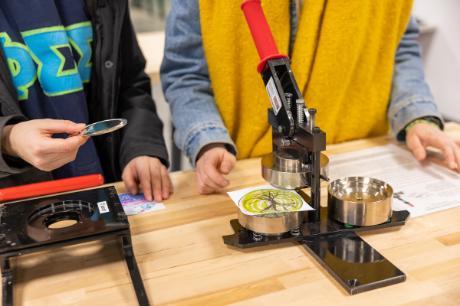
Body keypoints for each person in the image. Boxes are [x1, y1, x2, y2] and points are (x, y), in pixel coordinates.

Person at [161, 0, 460, 195]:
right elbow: (185, 73)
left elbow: (398, 45)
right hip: (247, 172)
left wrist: (416, 115)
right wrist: (207, 140)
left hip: (357, 164)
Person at [0, 0, 172, 202]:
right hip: (18, 204)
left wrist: (141, 147)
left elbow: (129, 82)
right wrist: (9, 138)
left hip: (108, 189)